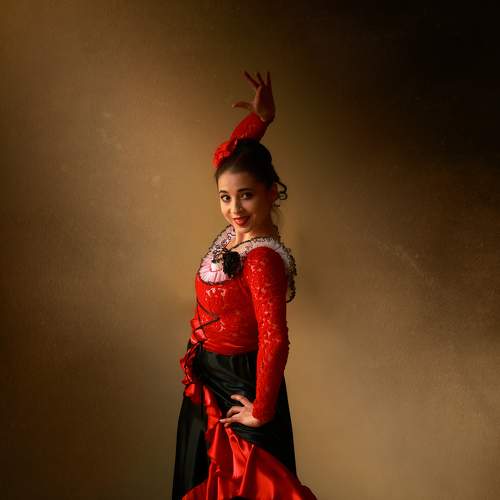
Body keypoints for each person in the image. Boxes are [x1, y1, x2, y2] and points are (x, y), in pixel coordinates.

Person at [172, 70, 317, 499]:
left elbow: (274, 338)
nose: (234, 208)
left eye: (246, 195)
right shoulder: (236, 237)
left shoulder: (263, 259)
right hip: (207, 377)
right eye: (225, 197)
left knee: (243, 487)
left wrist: (263, 410)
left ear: (272, 192)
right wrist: (261, 120)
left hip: (240, 382)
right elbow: (231, 157)